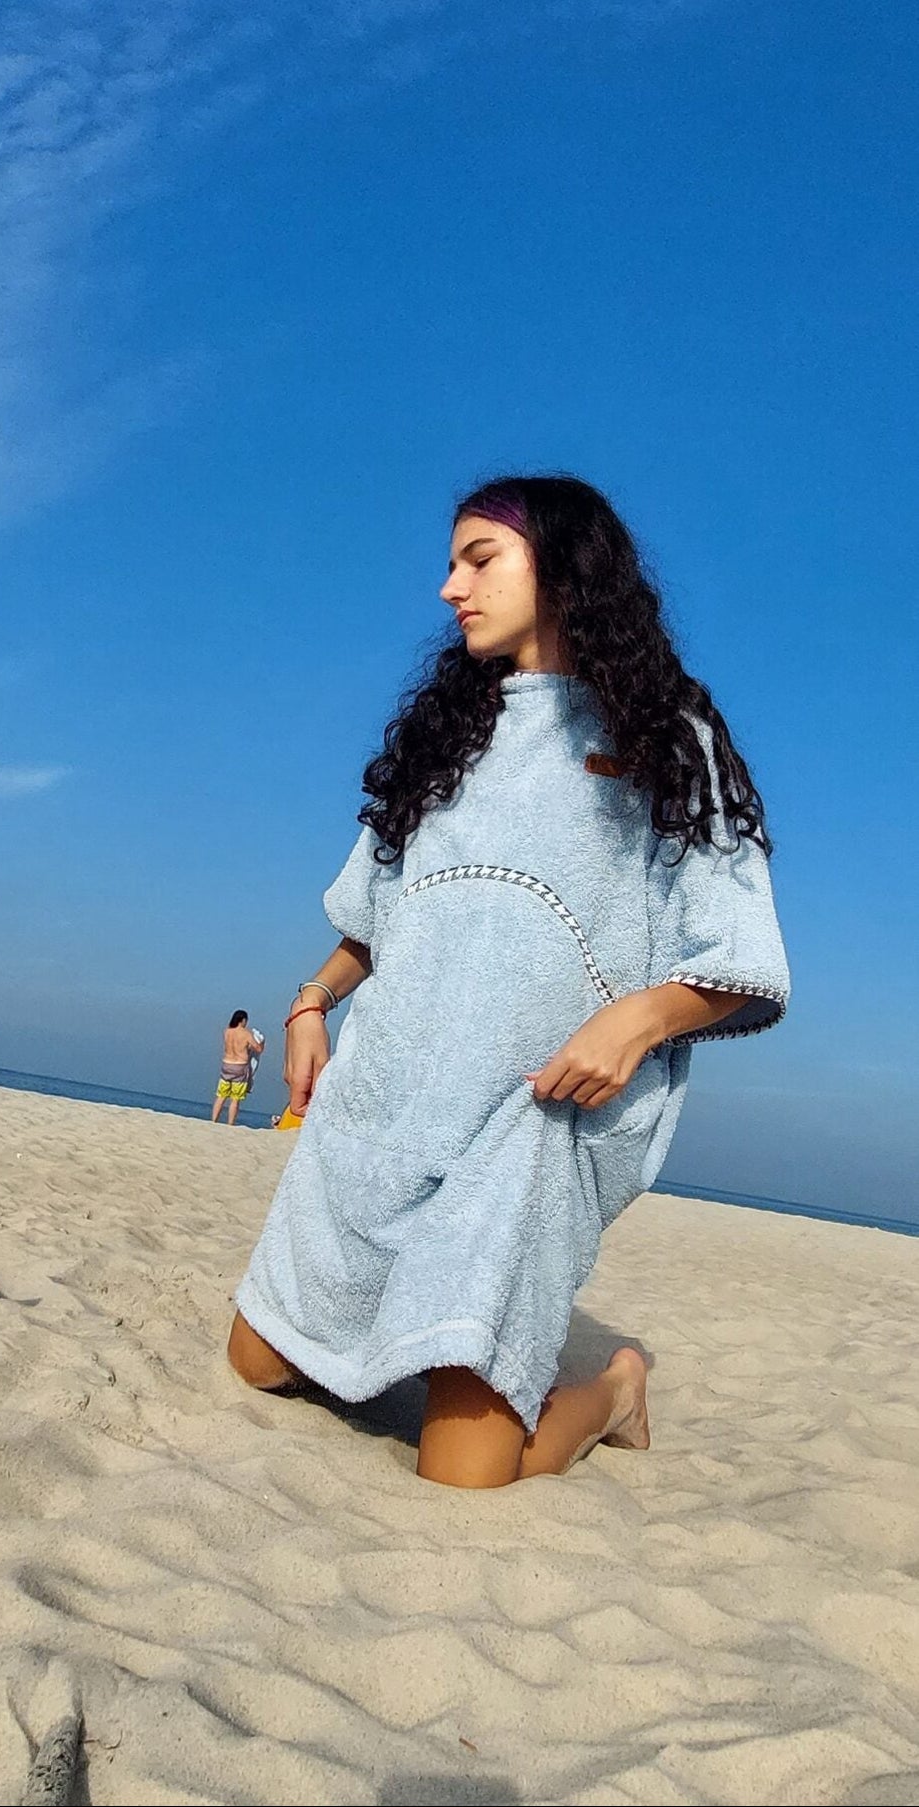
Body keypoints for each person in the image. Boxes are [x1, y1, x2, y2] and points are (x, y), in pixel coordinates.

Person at [227, 475, 788, 1488]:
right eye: (450, 564)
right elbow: (380, 913)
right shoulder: (441, 738)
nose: (450, 587)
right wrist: (312, 1000)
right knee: (259, 1363)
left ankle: (613, 1391)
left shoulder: (667, 737)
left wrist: (638, 1017)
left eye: (478, 559)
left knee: (463, 1472)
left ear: (562, 565)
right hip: (388, 1096)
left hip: (528, 1118)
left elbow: (739, 957)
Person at [211, 1010, 264, 1125]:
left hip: (226, 1064)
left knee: (221, 1095)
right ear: (243, 1020)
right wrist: (262, 1042)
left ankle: (214, 1120)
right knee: (235, 1098)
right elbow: (258, 1049)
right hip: (240, 1066)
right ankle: (230, 1123)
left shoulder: (227, 1031)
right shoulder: (246, 1033)